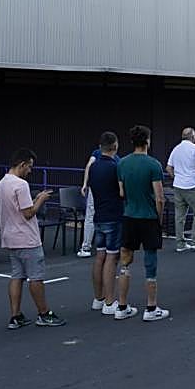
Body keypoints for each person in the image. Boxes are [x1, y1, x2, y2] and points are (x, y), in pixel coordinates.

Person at [0, 149, 64, 330]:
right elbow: (28, 213)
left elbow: (18, 208)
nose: (30, 171)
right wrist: (41, 199)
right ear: (22, 164)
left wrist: (34, 200)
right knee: (36, 277)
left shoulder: (2, 183)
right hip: (26, 237)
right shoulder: (20, 185)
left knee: (17, 276)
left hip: (10, 236)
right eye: (29, 167)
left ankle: (15, 315)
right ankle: (44, 313)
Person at [115, 125, 170, 321]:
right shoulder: (153, 165)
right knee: (150, 262)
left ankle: (121, 306)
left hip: (129, 215)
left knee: (125, 262)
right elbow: (160, 197)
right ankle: (151, 307)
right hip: (148, 218)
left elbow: (121, 192)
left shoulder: (121, 163)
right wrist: (159, 218)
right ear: (147, 141)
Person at [86, 132, 123, 315]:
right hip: (114, 215)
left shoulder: (93, 167)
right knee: (111, 257)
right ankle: (110, 302)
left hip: (99, 215)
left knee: (99, 255)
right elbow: (122, 191)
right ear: (115, 146)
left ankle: (98, 298)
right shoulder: (116, 166)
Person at [166, 128, 195, 252]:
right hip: (193, 186)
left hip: (178, 186)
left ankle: (180, 244)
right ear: (193, 137)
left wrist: (177, 177)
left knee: (179, 216)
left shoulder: (176, 149)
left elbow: (168, 168)